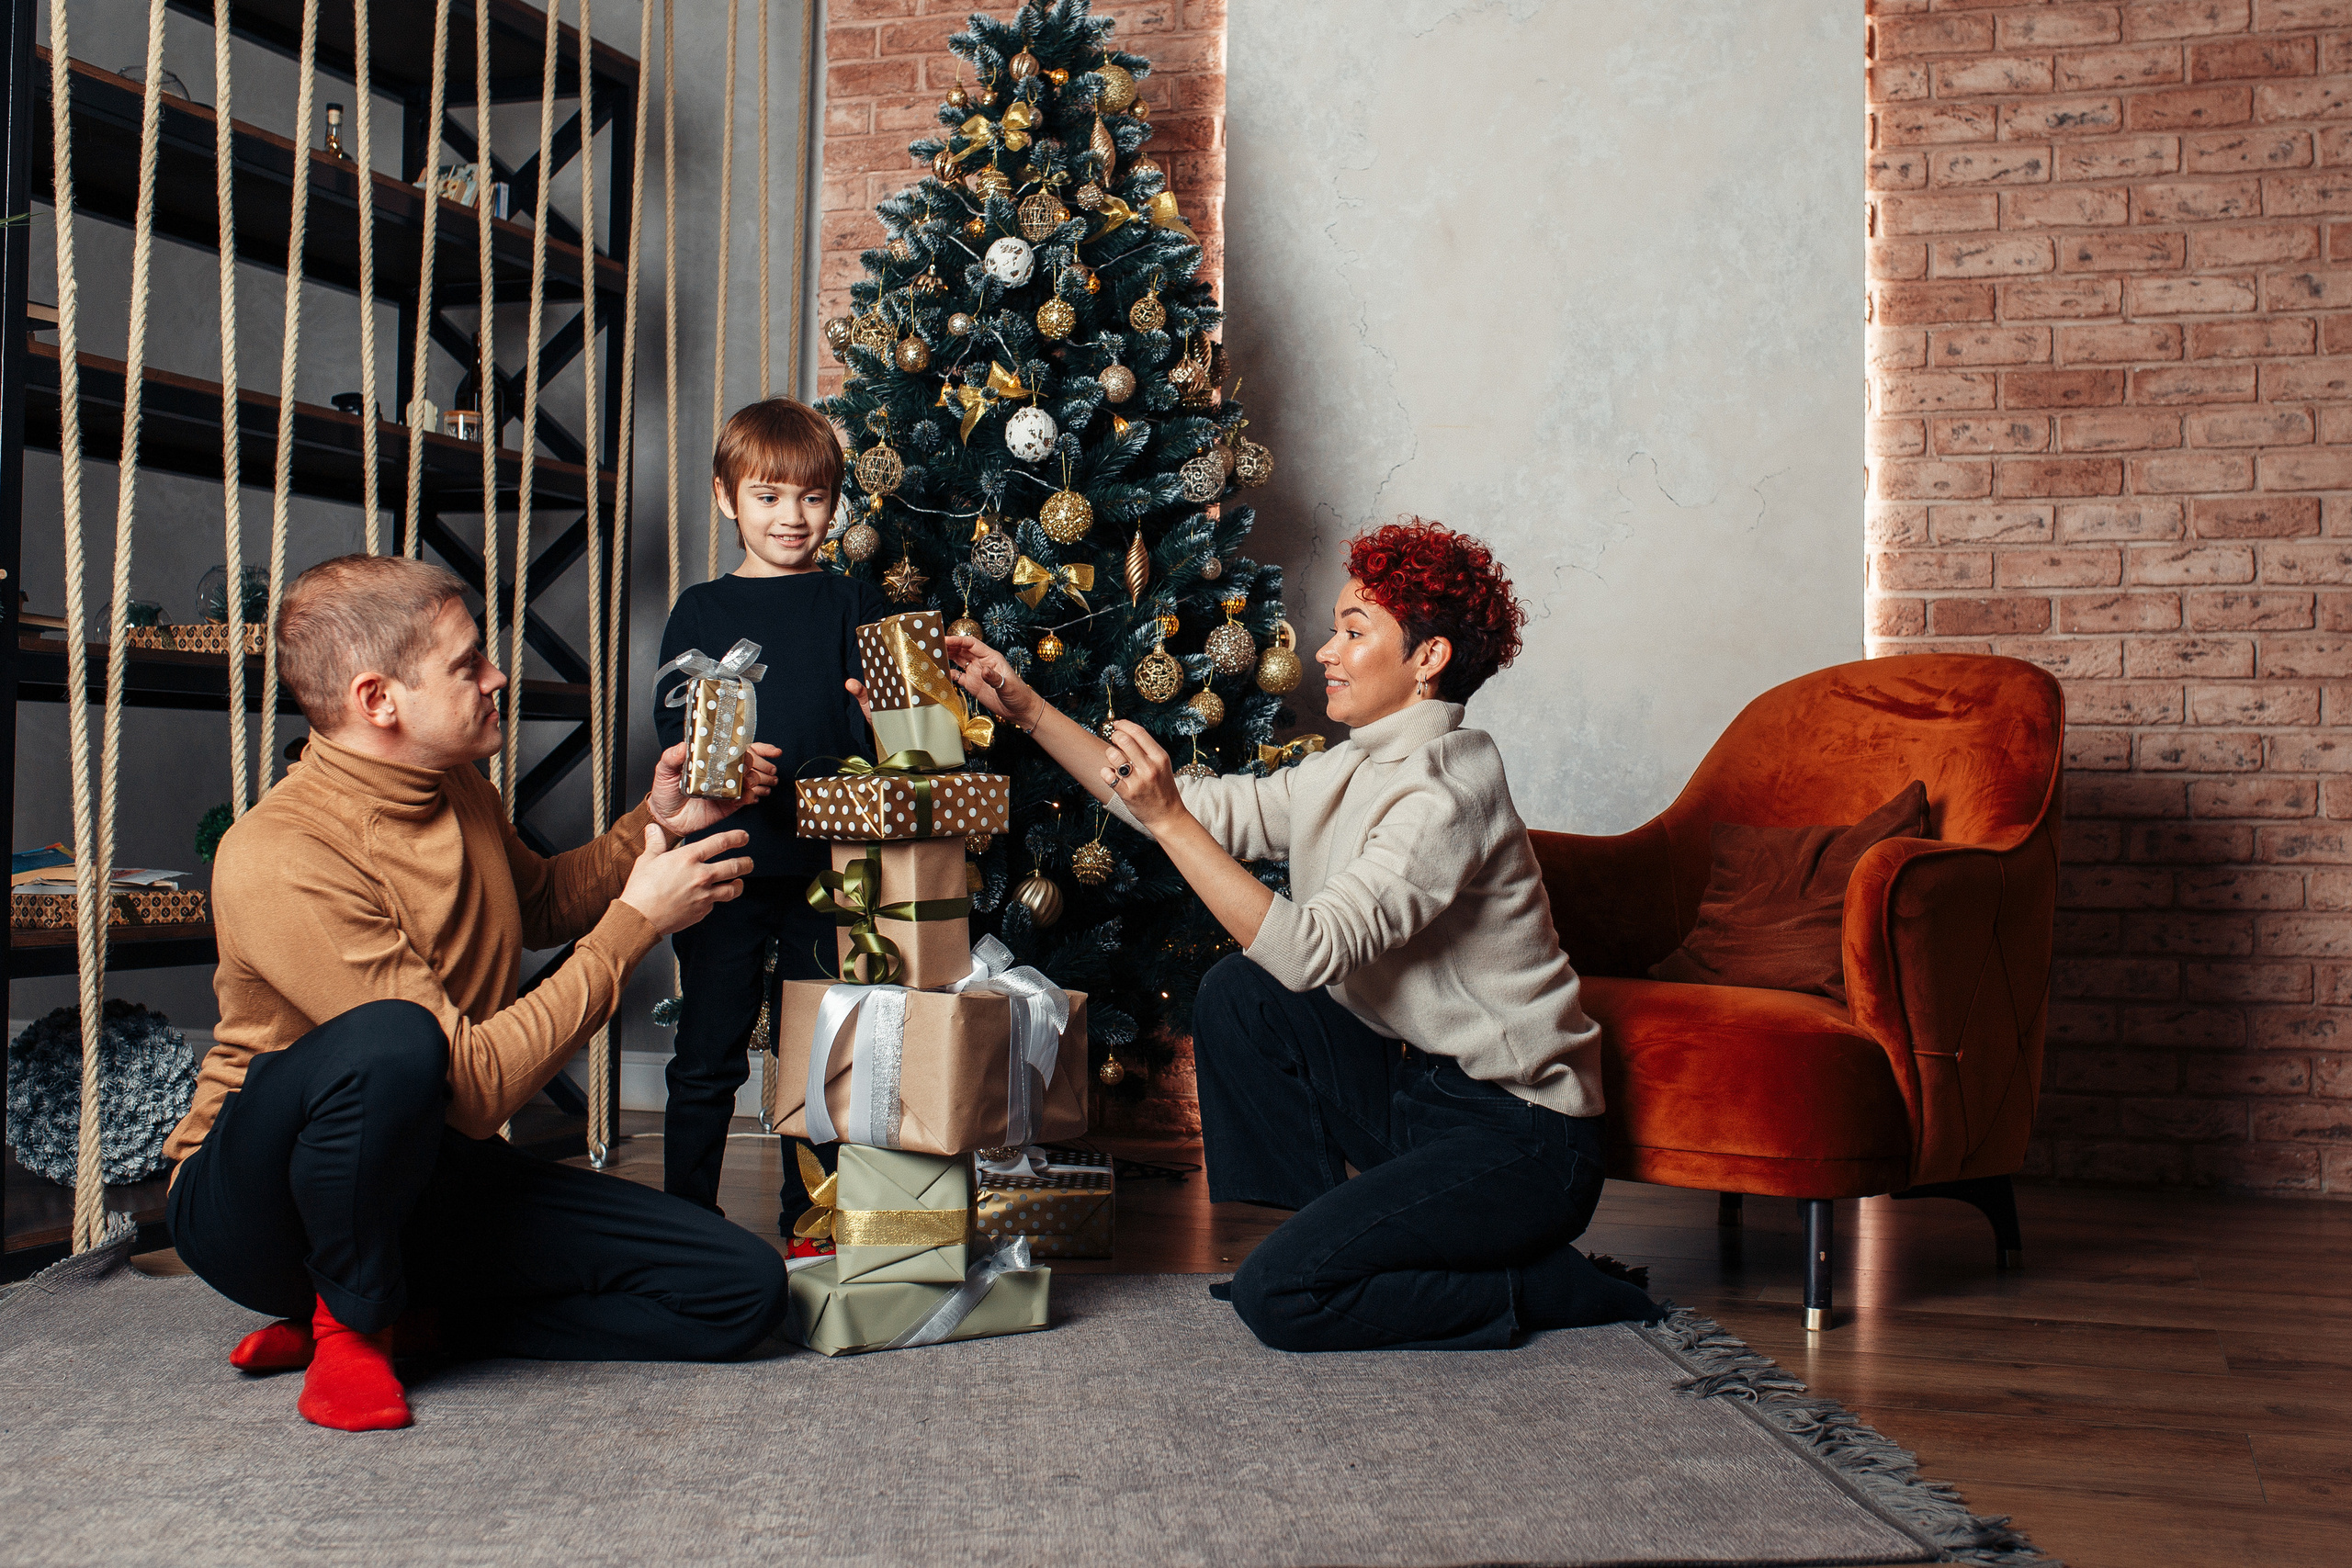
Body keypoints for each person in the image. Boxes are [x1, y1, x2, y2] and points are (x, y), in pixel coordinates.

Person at [923, 520, 1657, 1351]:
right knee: (1242, 992)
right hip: (1423, 1099)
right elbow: (1190, 808)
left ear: (1429, 659)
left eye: (1354, 630)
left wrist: (1170, 818)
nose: (1324, 650)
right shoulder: (1348, 767)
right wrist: (1030, 711)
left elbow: (1310, 950)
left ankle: (1541, 1283)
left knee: (1281, 1300)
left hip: (1525, 1137)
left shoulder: (1447, 793)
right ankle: (1338, 1240)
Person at [164, 553, 790, 1433]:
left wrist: (656, 822)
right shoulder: (279, 852)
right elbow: (469, 1084)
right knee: (395, 1041)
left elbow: (537, 903)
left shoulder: (454, 780)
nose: (498, 675)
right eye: (467, 664)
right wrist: (636, 927)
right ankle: (348, 1322)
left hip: (424, 1174)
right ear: (379, 699)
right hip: (262, 1211)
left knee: (741, 1291)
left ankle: (422, 1323)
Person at [654, 398, 888, 1233]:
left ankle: (810, 1219)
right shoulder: (702, 610)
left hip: (831, 871)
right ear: (726, 499)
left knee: (817, 1056)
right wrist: (714, 757)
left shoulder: (851, 603)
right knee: (708, 1049)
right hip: (724, 862)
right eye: (768, 496)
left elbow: (887, 725)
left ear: (834, 503)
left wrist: (886, 721)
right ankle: (686, 1220)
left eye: (813, 498)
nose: (793, 516)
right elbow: (677, 715)